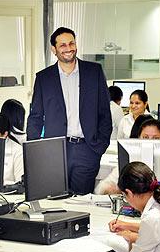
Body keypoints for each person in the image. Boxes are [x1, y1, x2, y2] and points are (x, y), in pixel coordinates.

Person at [27, 27, 112, 195]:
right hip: (54, 151)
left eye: (71, 43)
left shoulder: (93, 72)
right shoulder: (44, 78)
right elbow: (36, 117)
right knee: (53, 200)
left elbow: (104, 112)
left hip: (87, 150)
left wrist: (99, 146)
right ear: (54, 49)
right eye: (63, 45)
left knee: (80, 202)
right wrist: (34, 150)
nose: (68, 48)